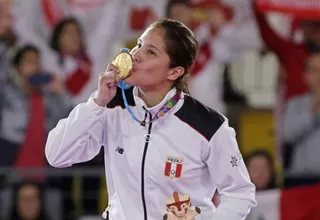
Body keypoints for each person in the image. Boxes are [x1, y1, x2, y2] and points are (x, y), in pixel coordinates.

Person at [45, 18, 256, 219]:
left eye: (151, 52)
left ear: (174, 72)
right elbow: (57, 155)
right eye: (138, 45)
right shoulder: (111, 106)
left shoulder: (208, 125)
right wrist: (96, 103)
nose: (136, 55)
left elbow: (240, 193)